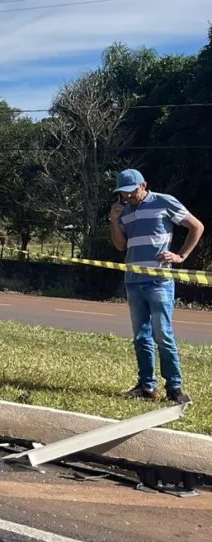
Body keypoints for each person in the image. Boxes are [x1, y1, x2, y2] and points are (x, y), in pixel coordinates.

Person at [109, 168, 202, 405]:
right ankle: (146, 386)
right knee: (141, 337)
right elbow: (121, 246)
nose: (127, 197)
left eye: (131, 192)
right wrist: (114, 220)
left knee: (163, 334)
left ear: (143, 185)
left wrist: (180, 256)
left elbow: (196, 227)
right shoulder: (123, 211)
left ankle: (174, 387)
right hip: (133, 280)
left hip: (159, 281)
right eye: (123, 194)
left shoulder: (163, 201)